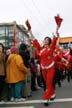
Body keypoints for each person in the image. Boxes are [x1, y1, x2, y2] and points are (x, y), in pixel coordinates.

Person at [28, 25, 59, 106]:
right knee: (47, 83)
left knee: (48, 82)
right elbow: (34, 40)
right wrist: (30, 30)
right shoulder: (41, 49)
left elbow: (55, 37)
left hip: (50, 68)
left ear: (49, 41)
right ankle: (52, 94)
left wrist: (57, 27)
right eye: (44, 39)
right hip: (43, 68)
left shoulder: (51, 47)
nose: (45, 40)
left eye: (46, 39)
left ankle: (46, 98)